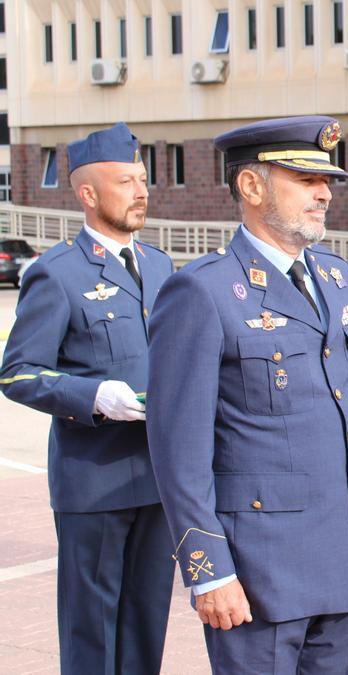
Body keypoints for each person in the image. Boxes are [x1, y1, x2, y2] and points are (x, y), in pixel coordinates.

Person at [145, 116, 348, 673]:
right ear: (251, 187)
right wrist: (208, 568)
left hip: (347, 559)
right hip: (260, 572)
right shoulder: (203, 291)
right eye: (305, 180)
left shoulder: (337, 277)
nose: (324, 193)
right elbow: (177, 448)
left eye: (325, 181)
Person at [0, 122, 175, 675]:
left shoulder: (160, 265)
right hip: (94, 481)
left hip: (158, 478)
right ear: (88, 194)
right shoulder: (57, 273)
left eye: (143, 180)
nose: (141, 191)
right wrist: (94, 395)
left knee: (147, 622)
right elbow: (17, 373)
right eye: (126, 181)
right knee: (92, 631)